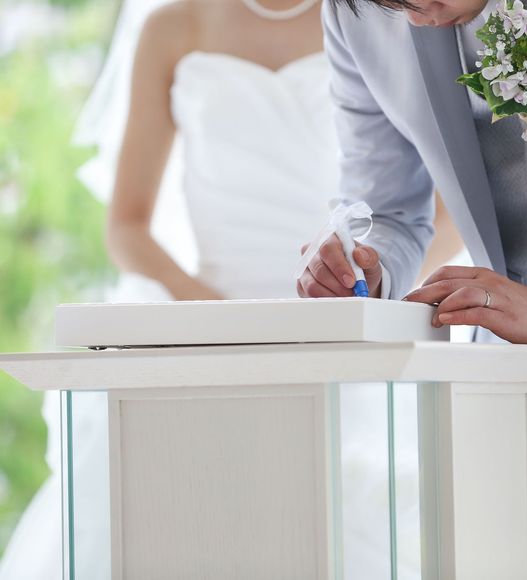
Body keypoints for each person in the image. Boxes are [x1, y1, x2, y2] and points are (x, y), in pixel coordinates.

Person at [0, 1, 464, 579]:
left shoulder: (377, 19)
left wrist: (368, 293)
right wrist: (215, 316)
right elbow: (126, 226)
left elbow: (443, 214)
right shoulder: (171, 27)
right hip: (208, 330)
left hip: (343, 328)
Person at [298, 0, 527, 578]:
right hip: (518, 392)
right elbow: (387, 209)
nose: (413, 15)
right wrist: (362, 264)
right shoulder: (356, 17)